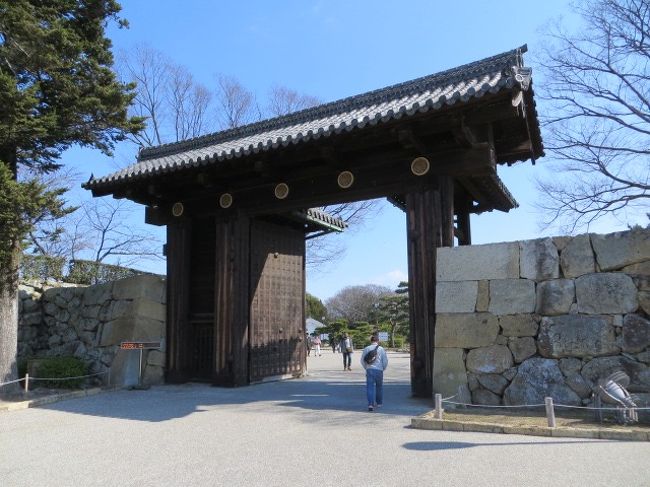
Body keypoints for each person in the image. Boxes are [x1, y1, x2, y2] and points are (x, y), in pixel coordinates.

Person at [360, 335, 388, 411]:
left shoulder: (367, 348)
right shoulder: (381, 349)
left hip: (370, 370)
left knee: (370, 387)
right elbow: (385, 361)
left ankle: (370, 404)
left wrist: (366, 367)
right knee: (379, 387)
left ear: (371, 341)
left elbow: (362, 360)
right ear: (378, 341)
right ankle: (379, 403)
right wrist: (383, 368)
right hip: (379, 370)